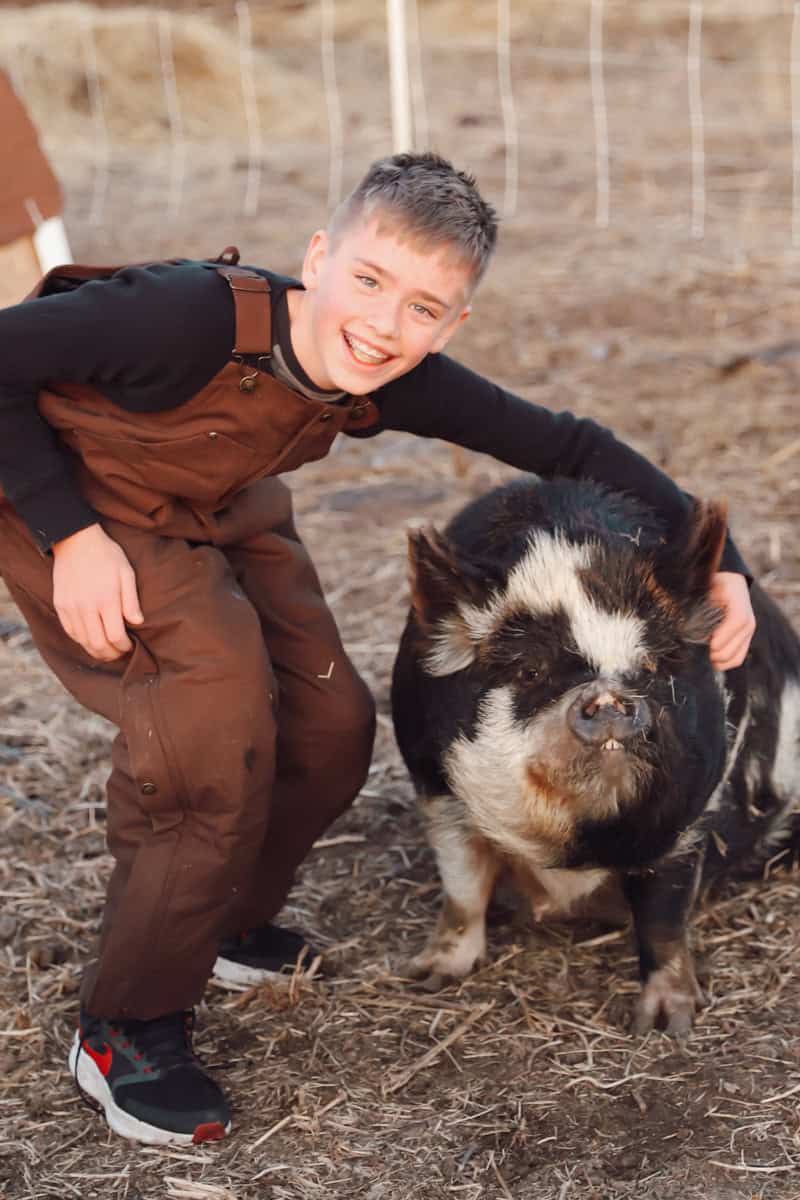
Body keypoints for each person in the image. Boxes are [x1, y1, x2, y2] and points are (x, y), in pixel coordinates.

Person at [0, 152, 755, 1146]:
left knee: (331, 722)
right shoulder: (183, 317)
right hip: (88, 503)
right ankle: (127, 1023)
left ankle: (225, 919)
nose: (383, 324)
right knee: (211, 726)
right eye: (367, 281)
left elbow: (572, 445)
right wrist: (70, 535)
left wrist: (722, 564)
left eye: (422, 308)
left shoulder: (393, 371)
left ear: (451, 324)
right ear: (317, 256)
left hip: (224, 504)